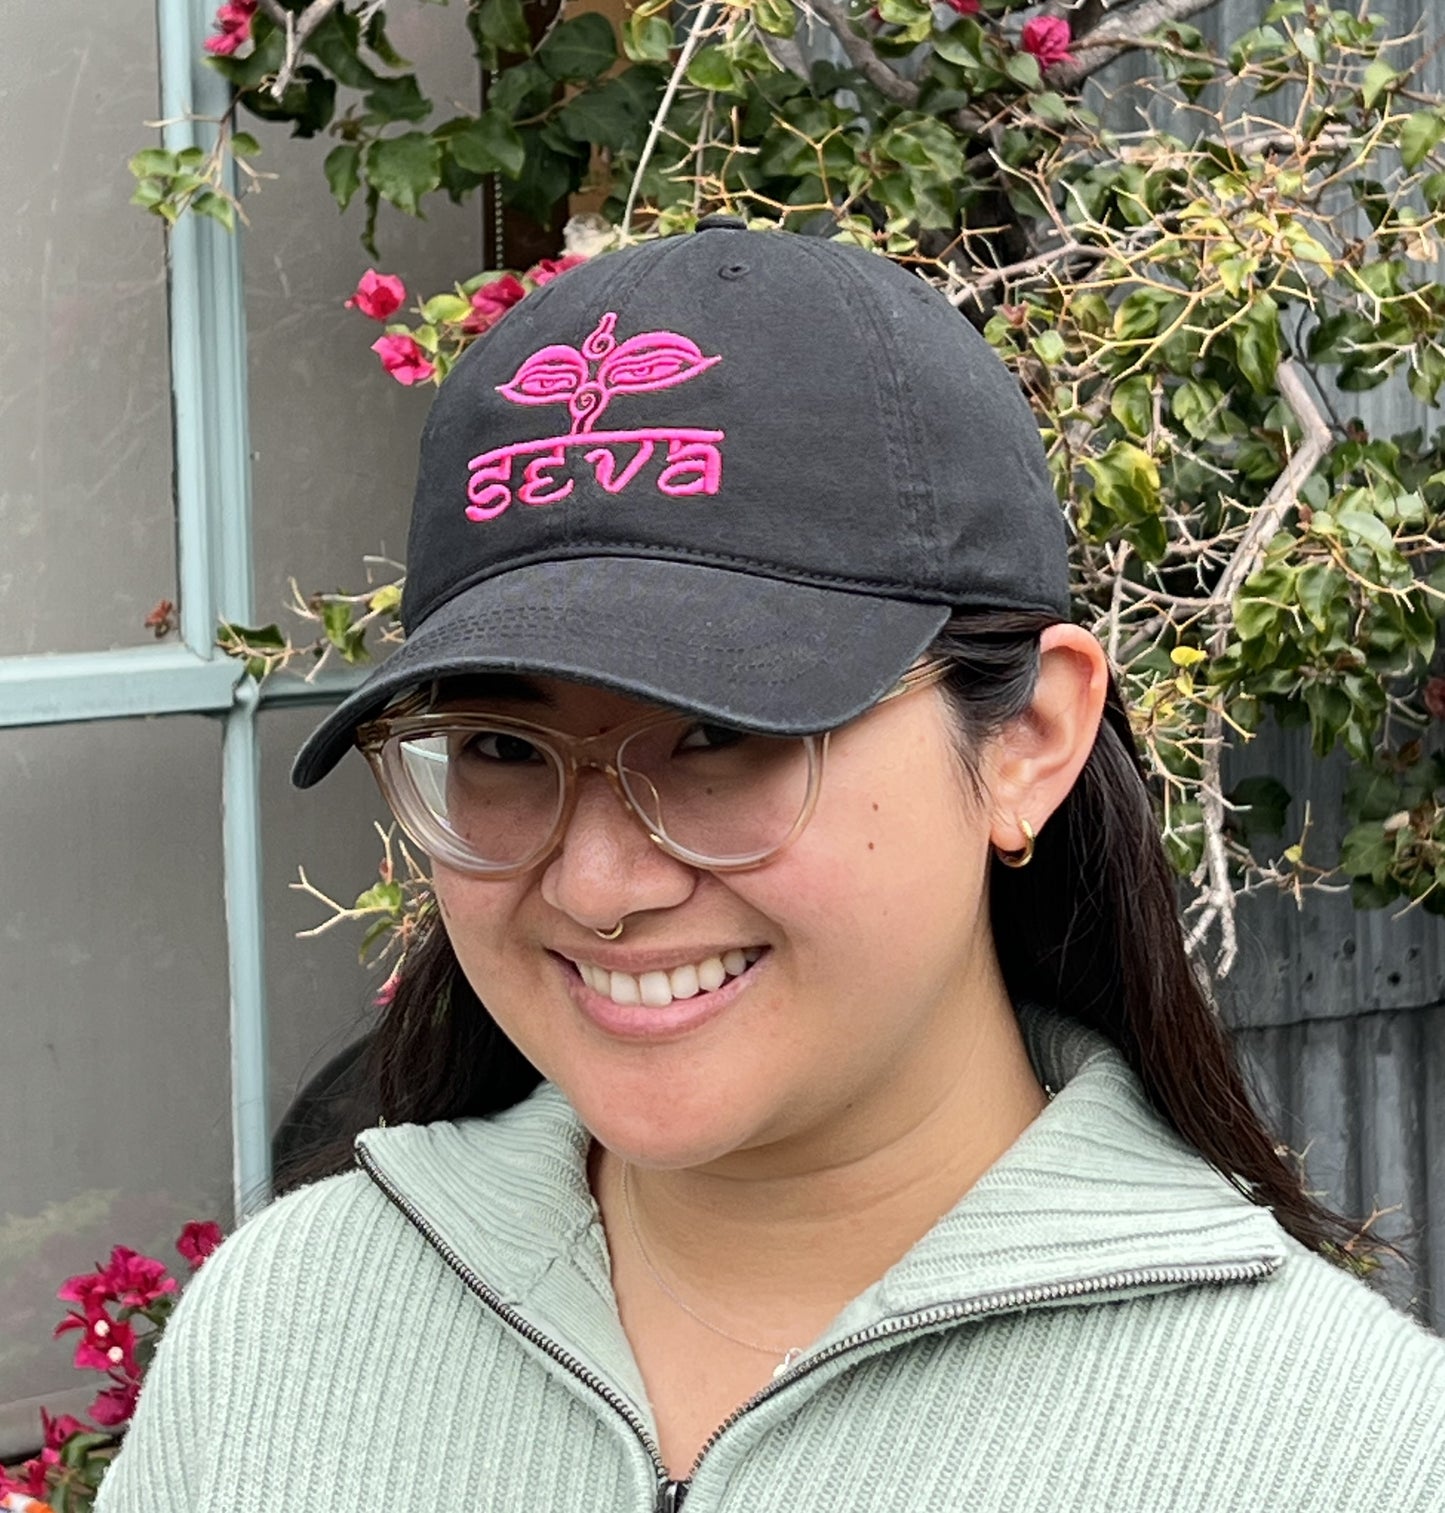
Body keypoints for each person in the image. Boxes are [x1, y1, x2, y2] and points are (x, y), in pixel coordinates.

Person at [97, 218, 1445, 1512]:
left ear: (1029, 738)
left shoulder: (1350, 1455)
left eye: (725, 733)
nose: (598, 883)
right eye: (503, 744)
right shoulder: (283, 1330)